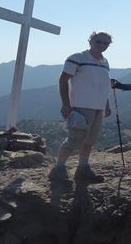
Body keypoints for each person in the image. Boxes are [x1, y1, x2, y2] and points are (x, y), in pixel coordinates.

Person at [48, 31, 113, 183]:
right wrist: (66, 104)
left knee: (90, 140)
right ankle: (58, 169)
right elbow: (63, 80)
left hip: (98, 108)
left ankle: (83, 168)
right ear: (90, 41)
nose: (102, 45)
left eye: (105, 43)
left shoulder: (105, 62)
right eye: (99, 41)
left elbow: (103, 85)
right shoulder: (78, 58)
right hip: (80, 106)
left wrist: (106, 105)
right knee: (74, 140)